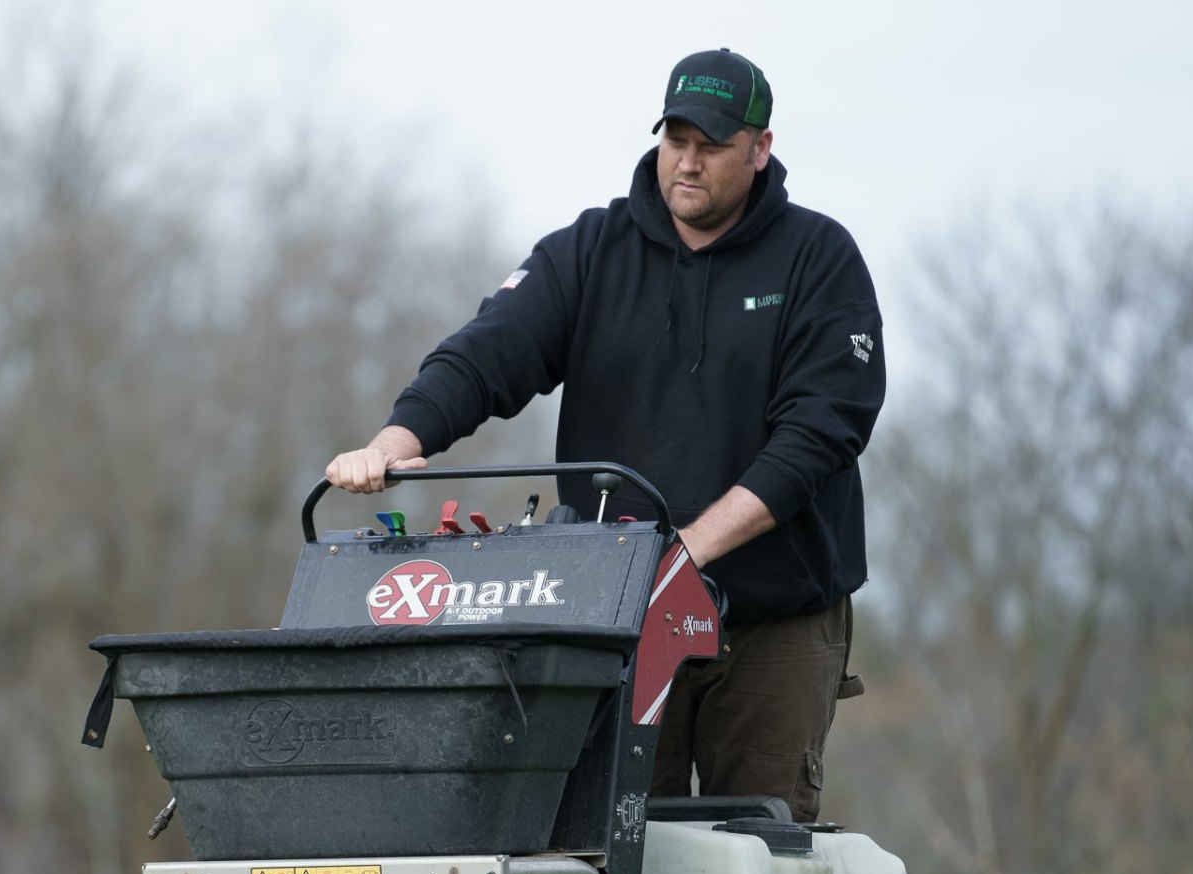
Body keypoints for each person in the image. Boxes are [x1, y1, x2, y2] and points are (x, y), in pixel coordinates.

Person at [324, 49, 881, 822]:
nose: (687, 162)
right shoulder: (591, 251)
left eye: (712, 145)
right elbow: (488, 350)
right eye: (675, 138)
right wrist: (396, 438)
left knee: (759, 859)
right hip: (616, 615)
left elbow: (821, 433)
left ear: (761, 148)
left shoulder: (820, 260)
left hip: (772, 624)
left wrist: (687, 550)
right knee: (608, 848)